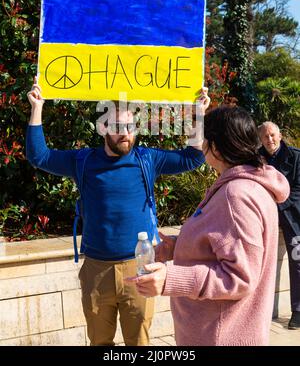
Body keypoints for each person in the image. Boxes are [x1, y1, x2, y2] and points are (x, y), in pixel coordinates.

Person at [26, 78, 210, 346]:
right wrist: (37, 107)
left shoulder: (147, 159)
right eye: (117, 126)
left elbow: (193, 158)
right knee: (100, 343)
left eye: (130, 127)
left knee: (139, 344)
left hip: (140, 269)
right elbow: (39, 156)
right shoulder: (83, 161)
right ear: (103, 128)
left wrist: (198, 114)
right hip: (96, 271)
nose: (125, 133)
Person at [126, 106, 290, 346]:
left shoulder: (237, 195)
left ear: (215, 146)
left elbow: (240, 277)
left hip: (220, 336)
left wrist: (170, 278)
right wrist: (178, 246)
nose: (200, 144)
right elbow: (223, 244)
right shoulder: (242, 185)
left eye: (203, 137)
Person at [258, 121, 300, 330]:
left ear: (280, 135)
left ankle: (298, 311)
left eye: (273, 135)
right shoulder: (256, 158)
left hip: (293, 217)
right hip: (263, 217)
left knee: (298, 260)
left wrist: (276, 205)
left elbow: (298, 189)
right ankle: (257, 312)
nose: (270, 139)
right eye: (265, 137)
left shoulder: (296, 156)